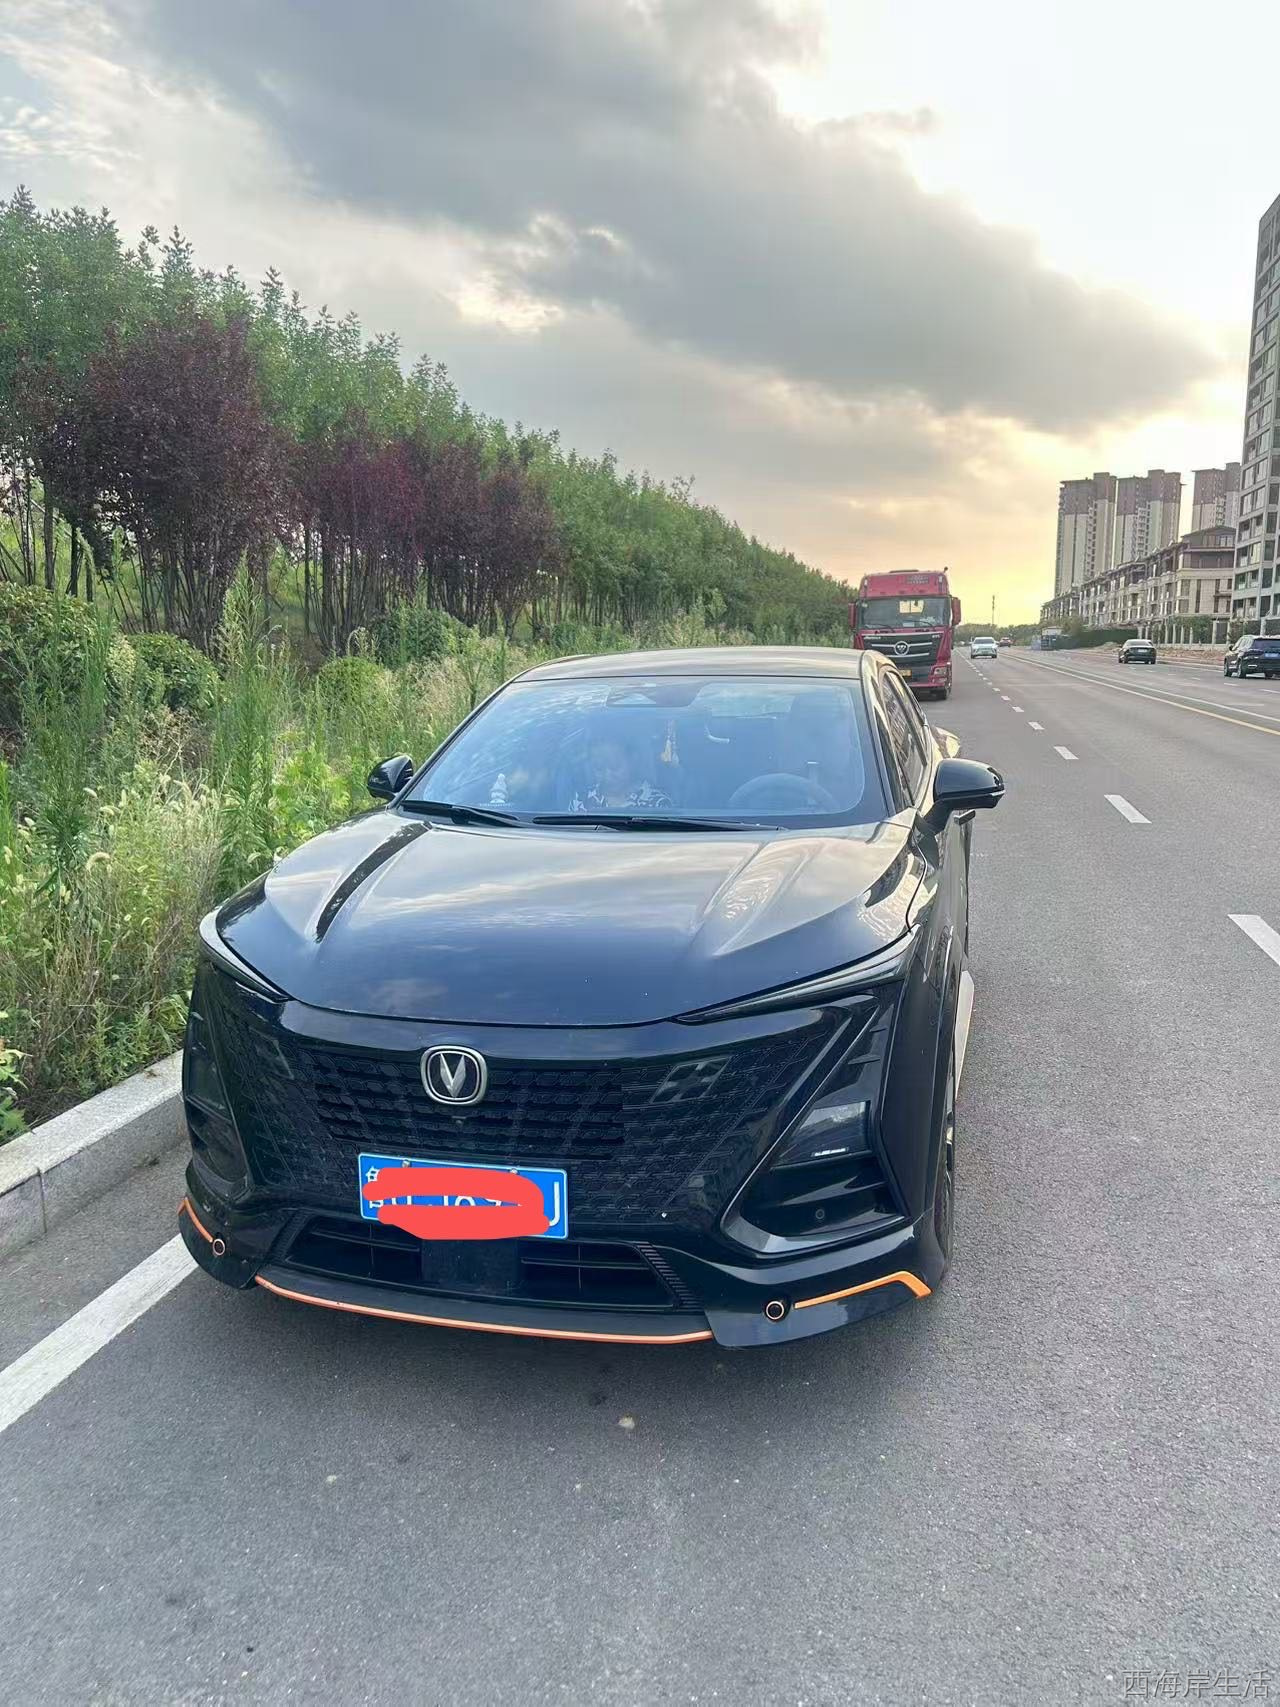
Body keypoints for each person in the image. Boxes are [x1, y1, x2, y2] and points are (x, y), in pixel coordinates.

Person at [571, 727, 672, 812]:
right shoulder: (582, 799)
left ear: (632, 760)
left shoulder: (658, 804)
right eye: (599, 768)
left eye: (614, 766)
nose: (607, 775)